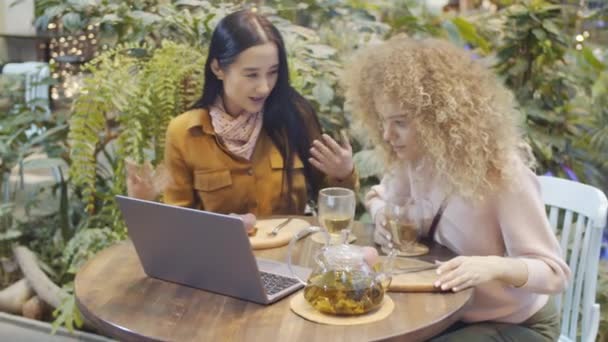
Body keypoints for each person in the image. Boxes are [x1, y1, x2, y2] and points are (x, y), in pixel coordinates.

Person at [342, 35, 570, 341]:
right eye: (383, 121)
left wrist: (492, 267)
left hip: (515, 323)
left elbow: (555, 274)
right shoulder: (414, 159)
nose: (386, 134)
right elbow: (378, 197)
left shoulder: (501, 174)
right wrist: (384, 216)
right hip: (446, 313)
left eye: (400, 122)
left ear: (440, 119)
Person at [127, 10, 357, 228]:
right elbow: (179, 222)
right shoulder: (184, 132)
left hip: (290, 260)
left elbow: (332, 208)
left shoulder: (294, 115)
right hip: (220, 263)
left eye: (273, 72)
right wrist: (143, 203)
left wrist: (343, 174)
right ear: (218, 68)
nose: (264, 87)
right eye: (251, 74)